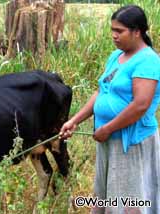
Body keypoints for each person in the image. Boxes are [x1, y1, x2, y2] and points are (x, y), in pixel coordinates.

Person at [60, 5, 160, 214]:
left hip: (130, 141)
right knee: (108, 195)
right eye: (112, 30)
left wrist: (108, 128)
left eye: (119, 31)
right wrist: (75, 120)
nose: (114, 36)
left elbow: (140, 105)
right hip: (109, 138)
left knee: (129, 198)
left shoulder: (148, 61)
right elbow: (101, 92)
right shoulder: (116, 57)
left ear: (137, 31)